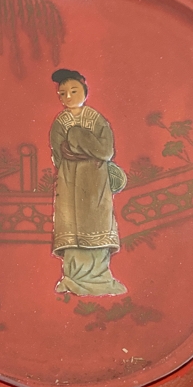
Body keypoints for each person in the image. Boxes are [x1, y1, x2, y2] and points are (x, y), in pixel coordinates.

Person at [49, 69, 127, 296]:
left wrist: (76, 138)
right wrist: (74, 148)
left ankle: (100, 276)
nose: (68, 97)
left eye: (74, 91)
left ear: (85, 91)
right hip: (69, 181)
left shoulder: (96, 119)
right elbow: (57, 154)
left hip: (95, 181)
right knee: (72, 224)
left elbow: (106, 150)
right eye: (63, 93)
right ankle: (74, 277)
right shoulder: (60, 122)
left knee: (96, 222)